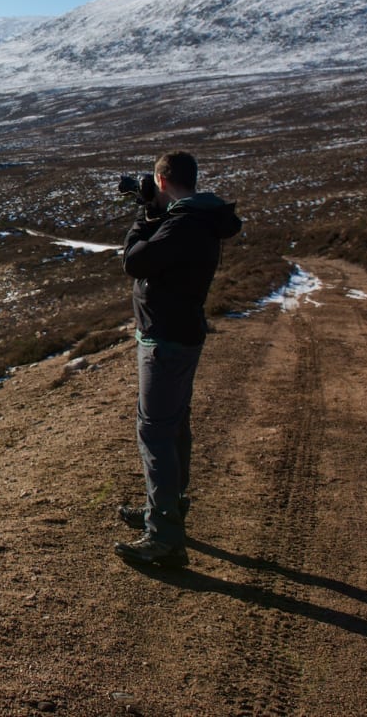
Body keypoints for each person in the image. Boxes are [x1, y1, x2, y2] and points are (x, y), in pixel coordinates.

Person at [115, 150, 241, 568]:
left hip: (166, 339)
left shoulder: (184, 223)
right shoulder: (195, 217)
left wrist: (141, 215)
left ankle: (165, 537)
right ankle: (166, 507)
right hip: (180, 334)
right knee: (173, 427)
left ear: (164, 182)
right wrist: (156, 211)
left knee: (155, 432)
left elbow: (135, 260)